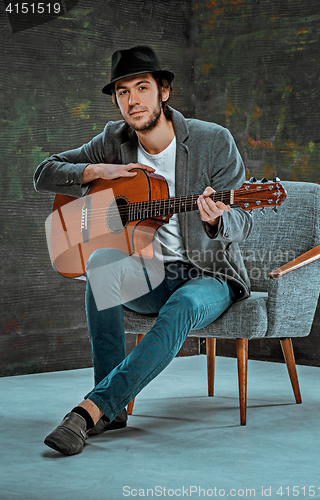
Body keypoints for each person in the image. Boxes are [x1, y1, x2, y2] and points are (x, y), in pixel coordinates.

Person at [34, 45, 252, 455]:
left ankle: (92, 409)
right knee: (100, 263)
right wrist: (97, 171)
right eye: (122, 92)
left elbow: (244, 222)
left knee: (184, 304)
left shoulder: (212, 141)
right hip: (149, 272)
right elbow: (44, 173)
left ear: (163, 91)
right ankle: (112, 411)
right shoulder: (113, 140)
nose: (132, 100)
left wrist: (215, 218)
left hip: (208, 274)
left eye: (142, 88)